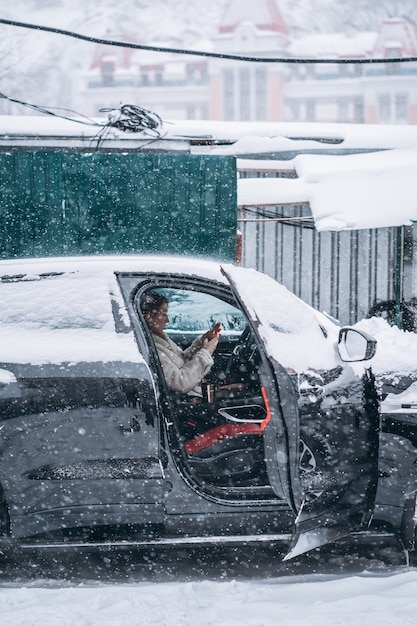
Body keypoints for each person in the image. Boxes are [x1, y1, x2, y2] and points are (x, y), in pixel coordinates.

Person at [141, 291, 220, 399]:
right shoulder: (150, 347)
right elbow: (179, 383)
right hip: (187, 403)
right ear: (149, 316)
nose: (167, 320)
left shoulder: (158, 338)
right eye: (163, 314)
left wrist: (202, 343)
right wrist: (206, 353)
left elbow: (182, 361)